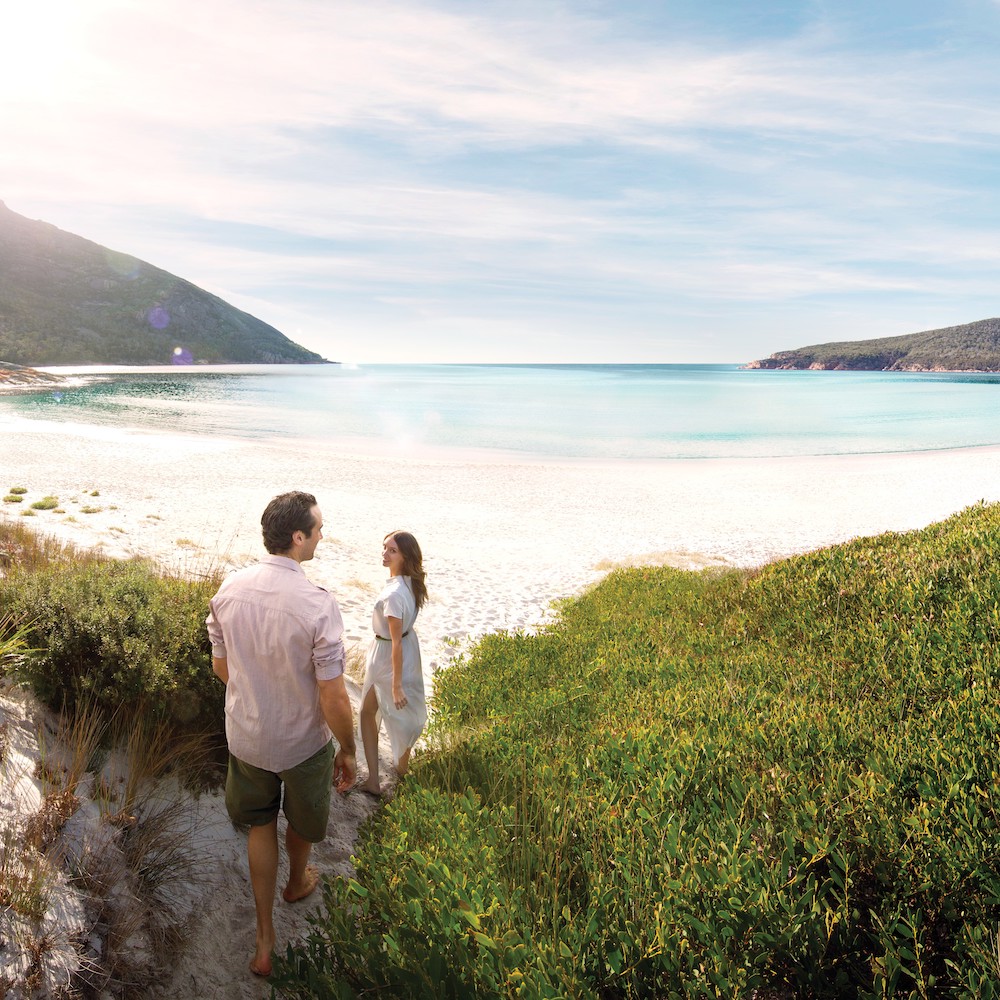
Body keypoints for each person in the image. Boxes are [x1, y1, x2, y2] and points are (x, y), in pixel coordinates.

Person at [206, 491, 356, 978]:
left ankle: (264, 938)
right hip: (302, 741)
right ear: (298, 536)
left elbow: (222, 669)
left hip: (248, 736)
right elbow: (333, 697)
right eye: (317, 527)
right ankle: (297, 882)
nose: (321, 533)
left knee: (261, 824)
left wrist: (259, 695)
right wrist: (349, 749)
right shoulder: (317, 604)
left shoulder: (228, 589)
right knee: (302, 820)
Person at [357, 530, 428, 797]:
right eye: (384, 548)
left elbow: (395, 642)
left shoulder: (395, 594)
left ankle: (377, 778)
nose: (384, 554)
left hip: (388, 655)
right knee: (389, 714)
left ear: (405, 556)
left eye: (392, 551)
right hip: (406, 650)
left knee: (367, 712)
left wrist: (396, 685)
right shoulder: (410, 583)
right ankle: (400, 769)